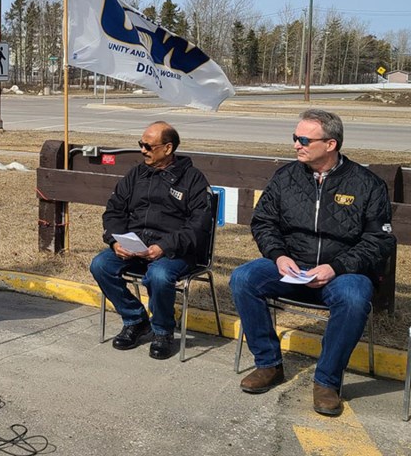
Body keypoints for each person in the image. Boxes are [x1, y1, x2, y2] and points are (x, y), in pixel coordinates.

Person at [230, 109, 395, 417]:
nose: (296, 145)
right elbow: (263, 223)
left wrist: (337, 267)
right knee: (243, 278)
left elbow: (379, 241)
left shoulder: (367, 184)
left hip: (342, 273)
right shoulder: (286, 177)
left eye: (304, 139)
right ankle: (268, 364)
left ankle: (327, 382)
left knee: (354, 296)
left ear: (330, 144)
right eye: (295, 138)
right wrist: (279, 256)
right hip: (291, 267)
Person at [90, 121, 213, 360]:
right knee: (100, 265)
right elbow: (114, 211)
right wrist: (116, 242)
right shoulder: (136, 174)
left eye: (148, 145)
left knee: (158, 275)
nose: (143, 150)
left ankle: (162, 331)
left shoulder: (193, 180)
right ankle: (136, 320)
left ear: (168, 149)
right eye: (140, 144)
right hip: (136, 246)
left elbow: (199, 225)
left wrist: (164, 247)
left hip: (175, 252)